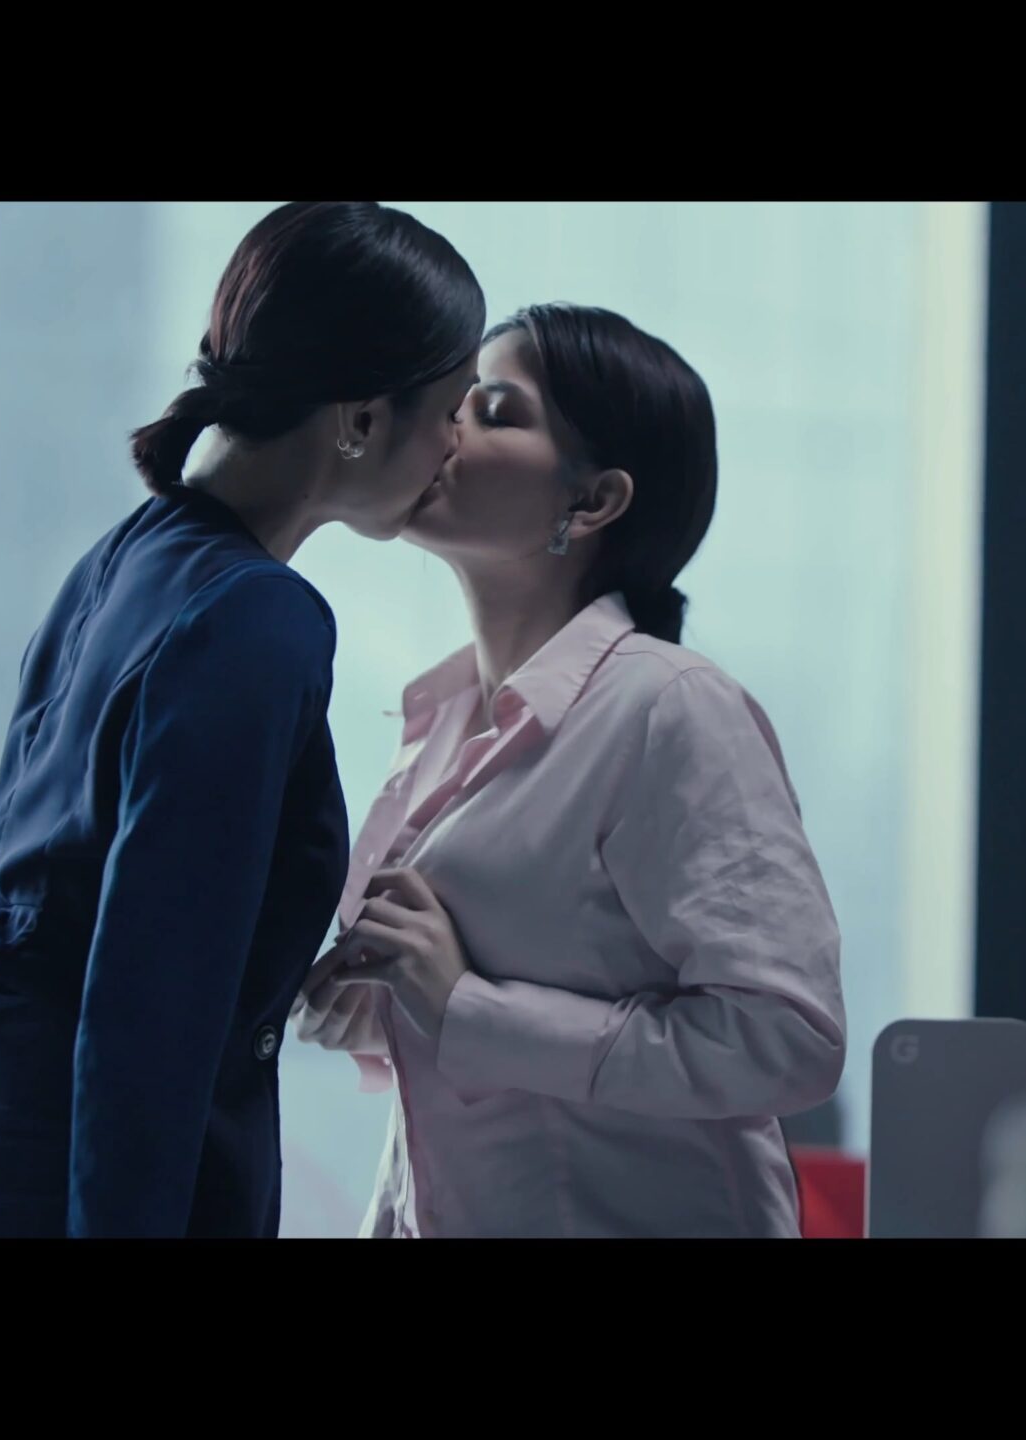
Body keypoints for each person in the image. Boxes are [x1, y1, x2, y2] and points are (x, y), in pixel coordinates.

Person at [0, 202, 483, 1238]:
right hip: (49, 1190)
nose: (457, 444)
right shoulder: (258, 615)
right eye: (452, 408)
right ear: (361, 422)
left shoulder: (122, 562)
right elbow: (152, 1007)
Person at [297, 303, 845, 1237]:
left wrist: (468, 1008)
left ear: (591, 502)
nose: (446, 425)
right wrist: (378, 1008)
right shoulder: (438, 720)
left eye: (494, 411)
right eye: (455, 401)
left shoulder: (668, 710)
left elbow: (788, 1039)